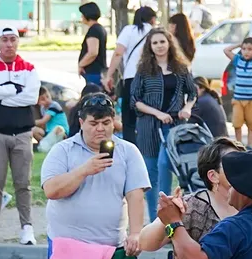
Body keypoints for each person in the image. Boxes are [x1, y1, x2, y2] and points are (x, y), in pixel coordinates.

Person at [42, 93, 149, 259]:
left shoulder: (127, 152)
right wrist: (84, 170)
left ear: (114, 122)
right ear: (81, 122)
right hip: (67, 245)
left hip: (112, 245)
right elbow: (52, 190)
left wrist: (136, 233)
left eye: (106, 122)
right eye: (93, 123)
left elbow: (136, 195)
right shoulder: (63, 151)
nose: (100, 129)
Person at [0, 27, 40, 246]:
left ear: (18, 42)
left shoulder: (29, 68)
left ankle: (27, 227)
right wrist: (14, 89)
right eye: (4, 40)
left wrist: (1, 95)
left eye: (13, 39)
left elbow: (31, 97)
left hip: (22, 133)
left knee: (23, 183)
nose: (9, 44)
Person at [131, 27, 196, 221]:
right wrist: (157, 113)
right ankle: (155, 221)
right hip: (149, 126)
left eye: (162, 42)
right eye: (155, 43)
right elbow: (135, 100)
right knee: (151, 173)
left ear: (169, 43)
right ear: (150, 46)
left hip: (174, 126)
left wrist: (187, 108)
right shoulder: (144, 70)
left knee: (164, 165)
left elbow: (192, 93)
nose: (159, 46)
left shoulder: (181, 68)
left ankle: (167, 217)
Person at [104, 6, 157, 143]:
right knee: (150, 115)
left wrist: (109, 75)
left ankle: (130, 147)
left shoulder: (129, 30)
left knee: (128, 119)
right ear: (152, 19)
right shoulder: (155, 32)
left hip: (131, 78)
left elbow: (118, 53)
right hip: (152, 78)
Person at [77, 2, 107, 86]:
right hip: (98, 71)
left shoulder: (94, 30)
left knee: (92, 92)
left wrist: (81, 64)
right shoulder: (99, 28)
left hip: (93, 72)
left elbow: (93, 52)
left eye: (82, 14)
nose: (81, 17)